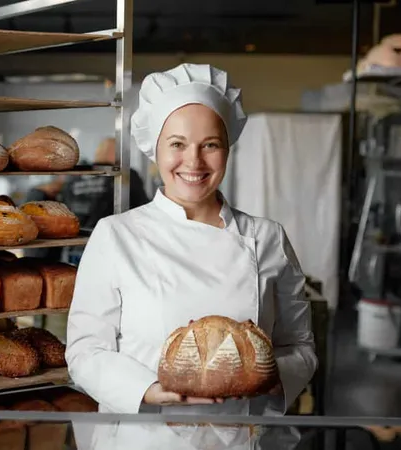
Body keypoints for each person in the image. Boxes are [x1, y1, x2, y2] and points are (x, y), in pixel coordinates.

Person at [64, 64, 317, 449]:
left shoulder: (266, 238)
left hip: (239, 439)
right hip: (144, 440)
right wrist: (149, 390)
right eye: (178, 144)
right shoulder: (116, 236)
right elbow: (85, 352)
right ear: (156, 149)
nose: (194, 162)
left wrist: (257, 375)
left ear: (227, 148)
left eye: (210, 144)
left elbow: (300, 347)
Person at [59, 137, 150, 231]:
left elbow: (63, 209)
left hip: (77, 238)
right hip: (111, 238)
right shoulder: (126, 174)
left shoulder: (74, 176)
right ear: (117, 154)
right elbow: (144, 209)